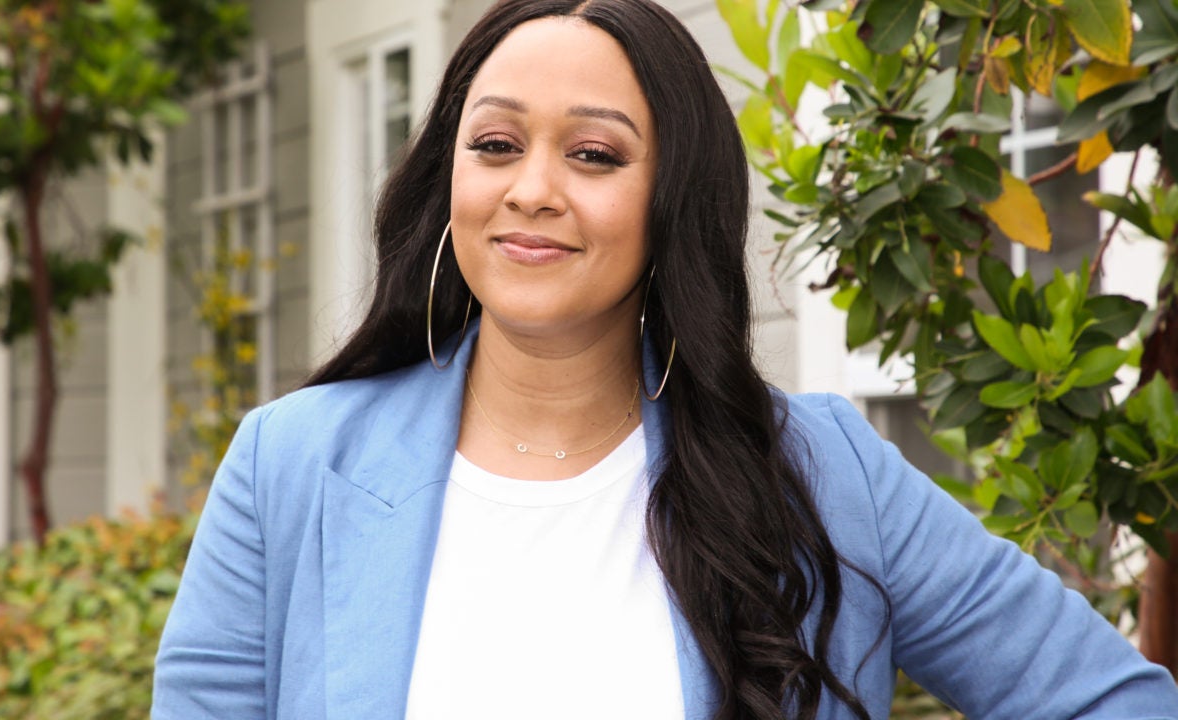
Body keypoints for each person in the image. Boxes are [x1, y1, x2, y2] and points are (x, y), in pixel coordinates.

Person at [151, 1, 1178, 718]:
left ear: (672, 201)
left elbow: (1109, 701)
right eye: (495, 145)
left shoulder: (821, 474)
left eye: (593, 155)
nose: (530, 189)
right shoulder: (290, 465)